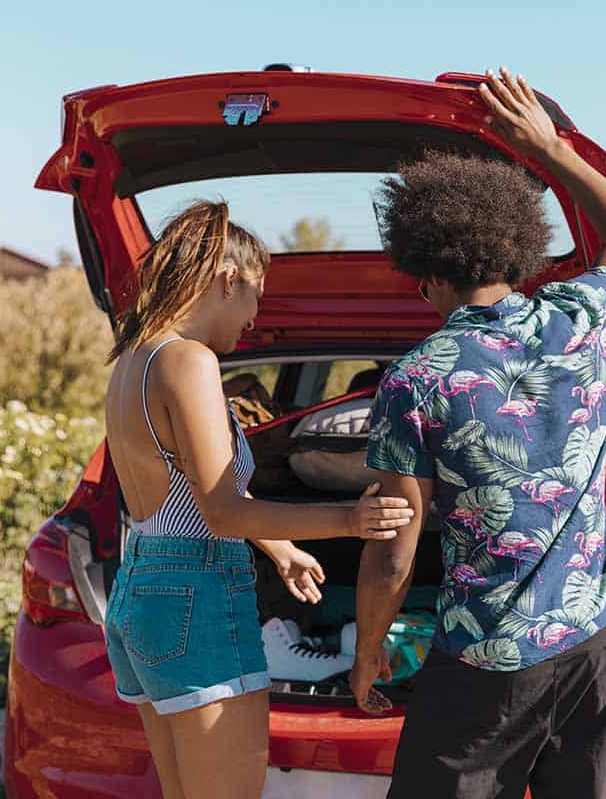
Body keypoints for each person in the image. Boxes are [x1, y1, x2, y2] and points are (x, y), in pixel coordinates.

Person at [350, 68, 606, 799]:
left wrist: (366, 653)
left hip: (485, 670)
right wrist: (548, 148)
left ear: (422, 272)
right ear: (522, 248)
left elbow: (396, 547)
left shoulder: (417, 380)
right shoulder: (579, 323)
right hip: (592, 649)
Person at [101, 200, 415, 799]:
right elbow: (222, 510)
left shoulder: (133, 360)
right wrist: (351, 519)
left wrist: (279, 547)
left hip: (142, 593)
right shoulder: (189, 361)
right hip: (196, 594)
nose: (254, 318)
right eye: (256, 297)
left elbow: (190, 497)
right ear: (227, 279)